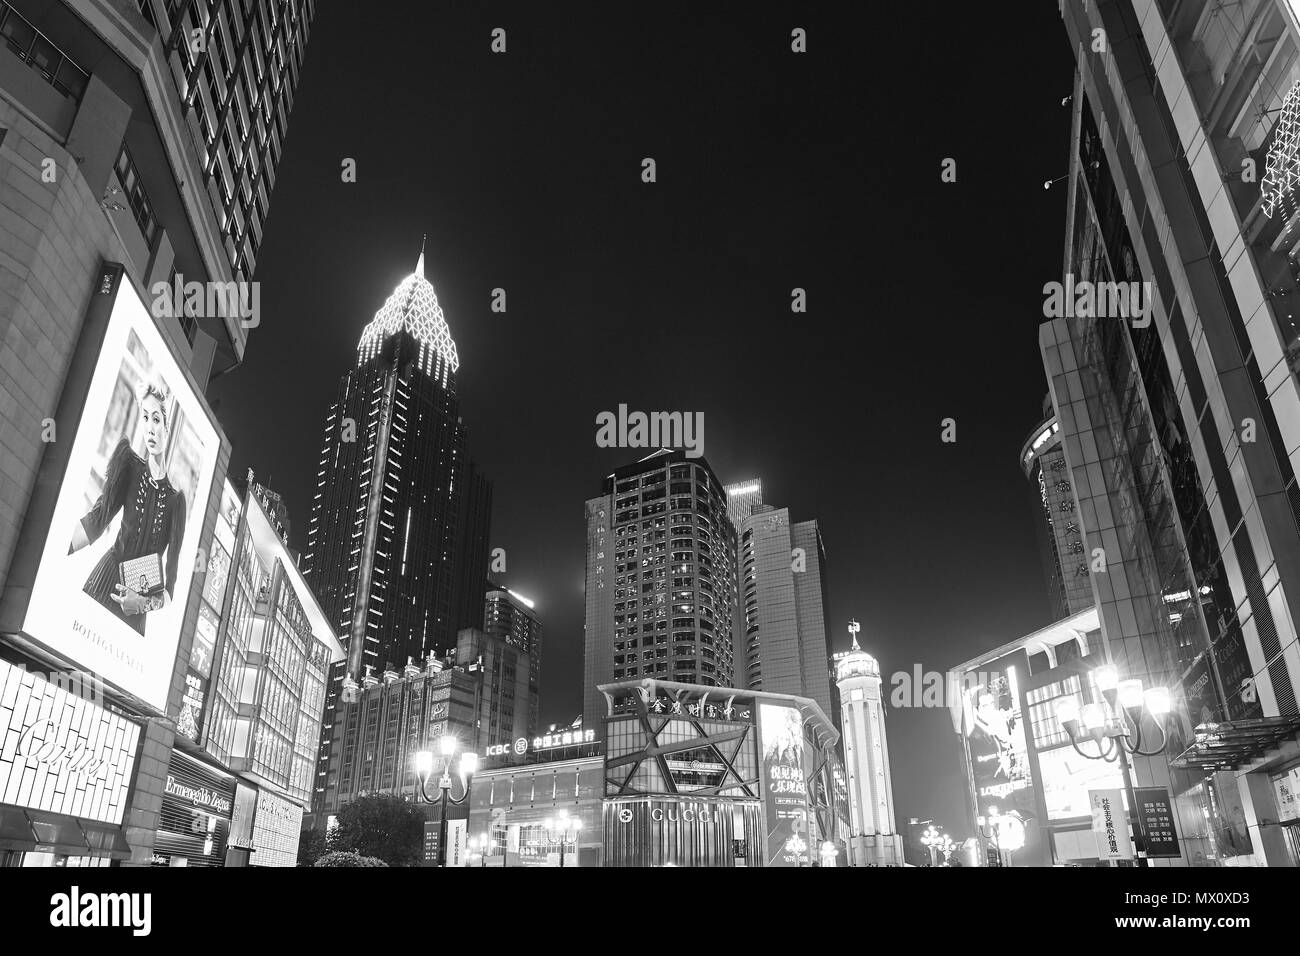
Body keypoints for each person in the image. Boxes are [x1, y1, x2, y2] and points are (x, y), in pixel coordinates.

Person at [69, 381, 187, 635]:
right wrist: (53, 548)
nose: (150, 428)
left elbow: (170, 590)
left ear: (168, 427)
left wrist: (142, 603)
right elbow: (96, 521)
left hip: (135, 611)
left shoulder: (176, 502)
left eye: (156, 419)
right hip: (104, 583)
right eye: (145, 417)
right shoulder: (130, 466)